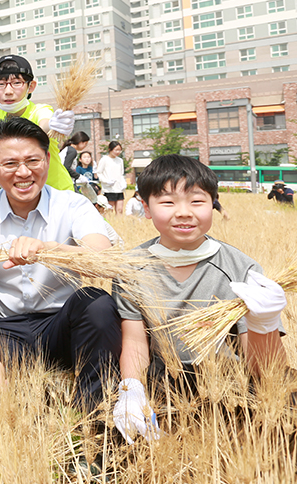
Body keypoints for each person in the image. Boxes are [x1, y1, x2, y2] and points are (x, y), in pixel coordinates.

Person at [111, 155, 290, 444]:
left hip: (229, 385)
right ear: (145, 208)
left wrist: (264, 322)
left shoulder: (241, 269)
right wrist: (132, 390)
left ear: (213, 204)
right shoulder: (131, 268)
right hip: (166, 385)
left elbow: (265, 371)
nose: (183, 213)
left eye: (197, 201)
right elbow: (134, 342)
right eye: (167, 202)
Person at [0, 117, 120, 411]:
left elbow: (104, 260)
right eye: (10, 164)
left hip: (63, 326)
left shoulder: (74, 205)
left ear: (47, 160)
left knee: (97, 304)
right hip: (8, 331)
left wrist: (48, 250)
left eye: (33, 160)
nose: (24, 173)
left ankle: (95, 419)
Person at [0, 55, 76, 192]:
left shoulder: (40, 110)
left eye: (17, 83)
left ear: (31, 86)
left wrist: (55, 124)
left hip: (56, 193)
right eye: (1, 84)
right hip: (17, 197)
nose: (8, 91)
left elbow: (44, 125)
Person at [97, 140, 126, 213]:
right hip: (109, 189)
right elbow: (99, 173)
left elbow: (121, 173)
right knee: (110, 210)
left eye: (119, 150)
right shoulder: (104, 159)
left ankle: (119, 223)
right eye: (116, 150)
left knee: (120, 210)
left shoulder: (120, 160)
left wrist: (123, 182)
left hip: (119, 188)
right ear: (110, 149)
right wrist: (106, 181)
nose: (118, 152)